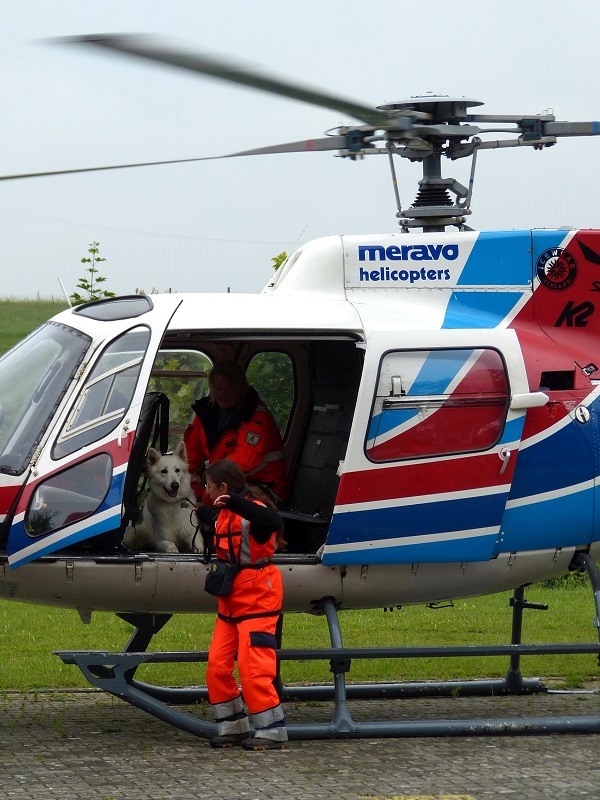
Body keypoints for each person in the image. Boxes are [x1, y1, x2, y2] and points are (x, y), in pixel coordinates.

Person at [196, 459, 288, 750]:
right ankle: (233, 726)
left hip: (259, 597)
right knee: (217, 666)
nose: (205, 490)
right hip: (231, 601)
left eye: (209, 486)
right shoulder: (223, 513)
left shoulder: (254, 511)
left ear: (223, 487)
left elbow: (274, 522)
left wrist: (234, 503)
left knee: (253, 668)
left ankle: (272, 730)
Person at [183, 360, 288, 505]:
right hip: (218, 480)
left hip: (261, 487)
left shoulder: (257, 418)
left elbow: (241, 464)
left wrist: (204, 479)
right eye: (219, 389)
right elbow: (190, 455)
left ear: (241, 388)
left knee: (218, 499)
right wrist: (181, 475)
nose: (223, 394)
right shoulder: (207, 413)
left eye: (229, 389)